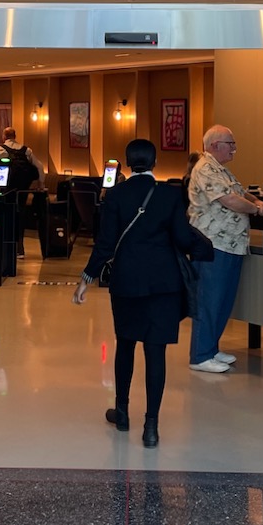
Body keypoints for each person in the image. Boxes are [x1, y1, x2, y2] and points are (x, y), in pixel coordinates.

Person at [74, 139, 213, 448]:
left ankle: (122, 411)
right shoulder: (169, 194)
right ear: (154, 163)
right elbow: (182, 237)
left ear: (127, 162)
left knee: (125, 345)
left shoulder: (116, 195)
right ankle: (151, 426)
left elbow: (106, 243)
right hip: (164, 283)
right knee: (156, 352)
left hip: (127, 282)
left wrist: (86, 278)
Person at [186, 124, 263, 373]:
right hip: (213, 245)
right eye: (230, 143)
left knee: (223, 300)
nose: (235, 148)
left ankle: (211, 348)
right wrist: (256, 209)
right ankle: (200, 356)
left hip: (231, 245)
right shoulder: (206, 168)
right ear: (215, 146)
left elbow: (239, 191)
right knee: (209, 300)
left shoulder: (221, 170)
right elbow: (230, 200)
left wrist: (257, 200)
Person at [0, 126, 44, 256]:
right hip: (23, 190)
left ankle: (7, 246)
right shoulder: (26, 150)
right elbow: (40, 166)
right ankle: (20, 246)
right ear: (15, 136)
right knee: (21, 215)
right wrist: (41, 183)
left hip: (7, 189)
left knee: (7, 215)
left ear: (4, 137)